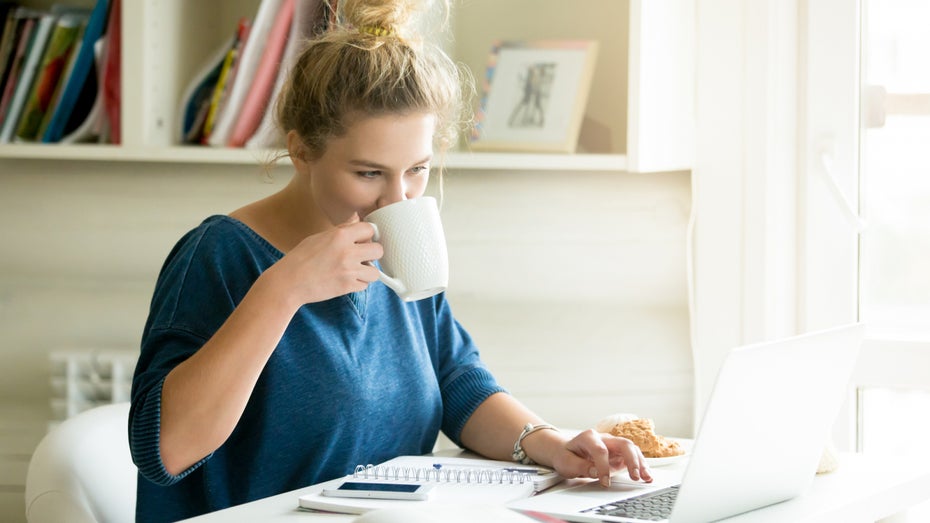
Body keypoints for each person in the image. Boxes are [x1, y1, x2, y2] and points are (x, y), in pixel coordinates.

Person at [128, 0, 652, 520]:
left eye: (417, 169)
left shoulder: (396, 246)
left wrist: (547, 442)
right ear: (301, 150)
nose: (397, 200)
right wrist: (284, 290)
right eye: (368, 173)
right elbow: (164, 450)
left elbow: (454, 379)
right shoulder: (220, 254)